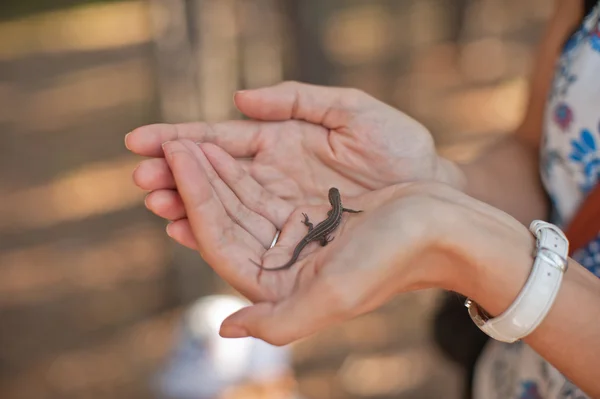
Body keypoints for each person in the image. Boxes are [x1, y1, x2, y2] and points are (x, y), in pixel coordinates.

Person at [125, 0, 600, 397]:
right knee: (303, 242)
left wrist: (479, 251)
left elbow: (335, 219)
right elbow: (537, 157)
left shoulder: (332, 216)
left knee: (305, 241)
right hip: (503, 379)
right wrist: (441, 181)